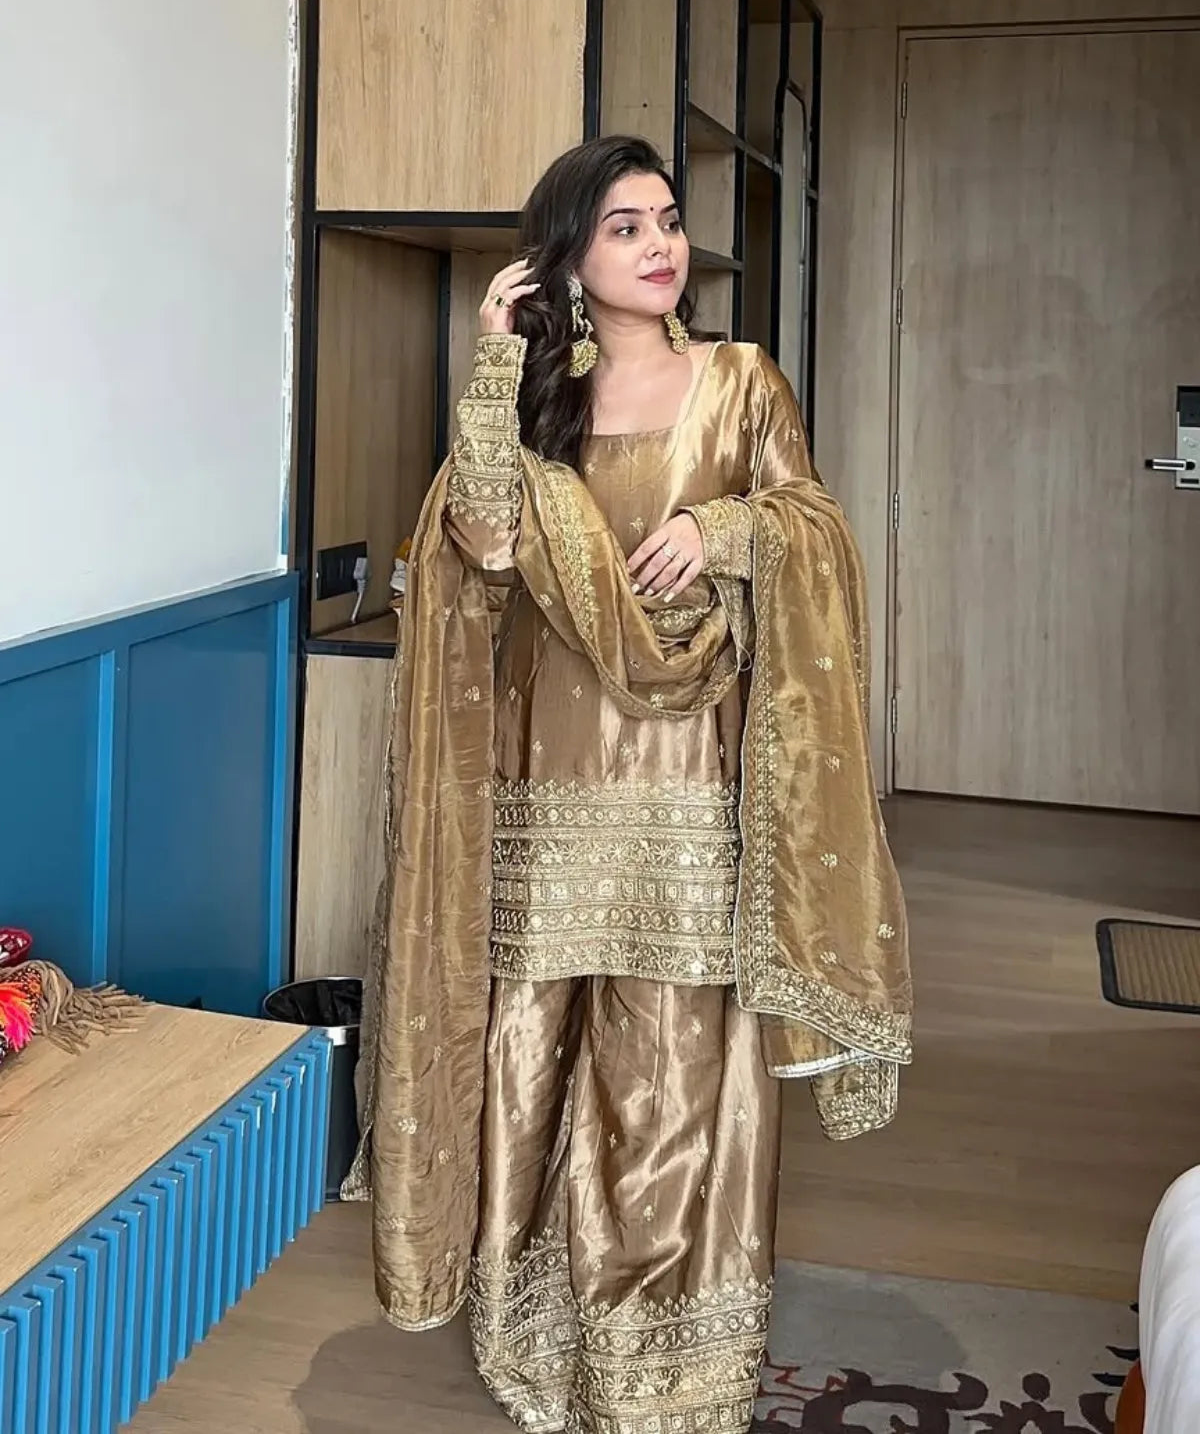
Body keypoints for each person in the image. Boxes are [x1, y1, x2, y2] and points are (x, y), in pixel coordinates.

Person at [345, 135, 913, 1434]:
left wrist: (724, 528)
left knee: (667, 1077)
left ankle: (661, 1374)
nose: (662, 246)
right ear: (567, 261)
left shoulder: (740, 384)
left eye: (668, 222)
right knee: (533, 1058)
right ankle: (537, 1344)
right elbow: (480, 541)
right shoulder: (546, 396)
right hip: (548, 794)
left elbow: (815, 527)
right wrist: (496, 356)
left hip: (686, 791)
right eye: (625, 228)